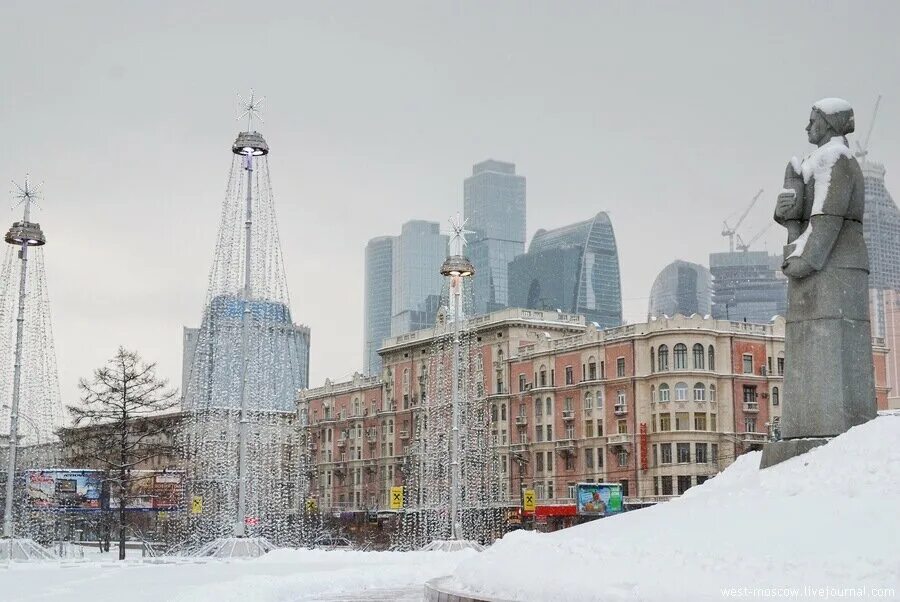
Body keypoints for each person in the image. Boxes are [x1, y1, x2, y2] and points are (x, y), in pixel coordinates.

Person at [773, 98, 875, 440]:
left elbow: (826, 221)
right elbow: (806, 220)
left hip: (834, 266)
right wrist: (787, 212)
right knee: (812, 345)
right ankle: (804, 434)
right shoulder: (816, 160)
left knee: (831, 349)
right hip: (820, 262)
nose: (807, 127)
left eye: (812, 120)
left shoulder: (835, 159)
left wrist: (799, 259)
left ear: (829, 124)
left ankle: (835, 438)